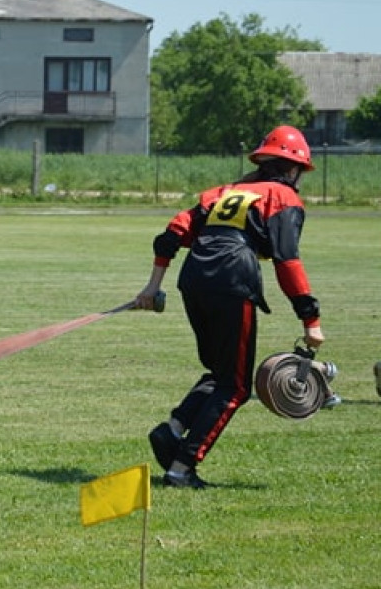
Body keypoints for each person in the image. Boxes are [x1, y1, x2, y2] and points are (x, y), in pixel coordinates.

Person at [135, 125, 325, 489]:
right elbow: (287, 261)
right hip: (232, 278)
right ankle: (181, 469)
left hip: (194, 278)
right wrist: (310, 319)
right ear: (290, 169)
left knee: (220, 372)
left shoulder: (223, 192)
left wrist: (152, 286)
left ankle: (173, 429)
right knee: (236, 387)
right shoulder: (283, 198)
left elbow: (172, 232)